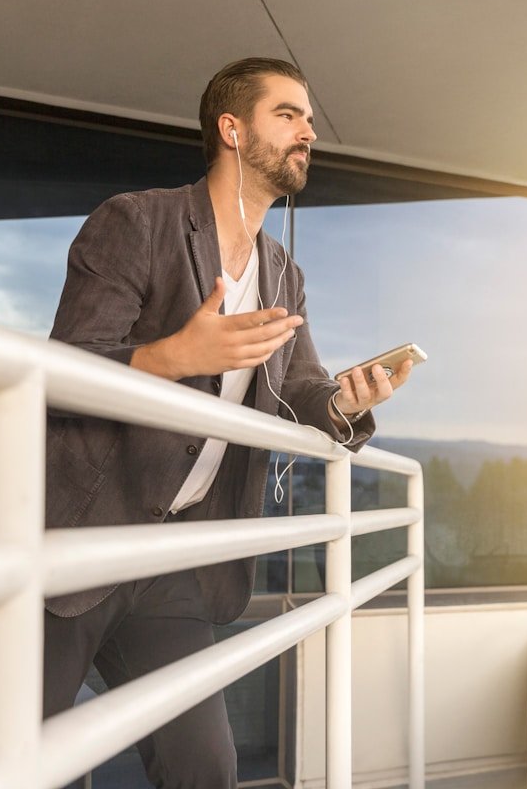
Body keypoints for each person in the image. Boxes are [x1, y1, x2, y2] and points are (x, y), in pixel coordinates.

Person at [42, 57, 412, 787]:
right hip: (76, 542)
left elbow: (298, 385)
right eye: (289, 114)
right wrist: (171, 356)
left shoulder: (283, 272)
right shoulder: (135, 222)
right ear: (232, 129)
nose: (309, 131)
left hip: (176, 560)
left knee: (205, 765)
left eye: (308, 118)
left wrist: (344, 401)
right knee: (28, 760)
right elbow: (63, 374)